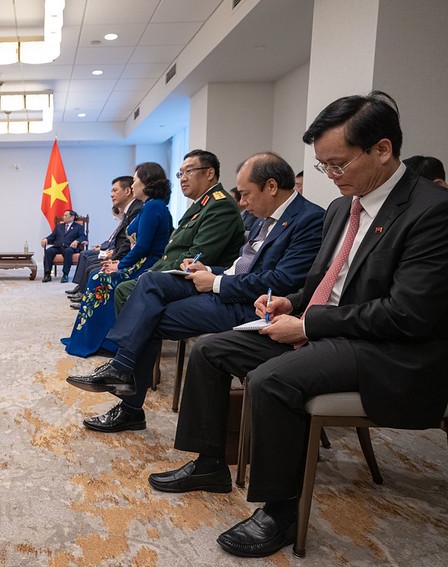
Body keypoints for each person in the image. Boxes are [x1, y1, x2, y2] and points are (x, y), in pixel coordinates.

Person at [149, 91, 448, 559]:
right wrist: (292, 302)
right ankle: (210, 463)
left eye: (338, 164)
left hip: (385, 347)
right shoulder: (342, 207)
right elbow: (324, 282)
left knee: (271, 381)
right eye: (324, 165)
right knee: (210, 350)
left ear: (382, 149)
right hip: (329, 329)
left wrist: (309, 326)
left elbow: (408, 314)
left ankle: (280, 511)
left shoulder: (431, 210)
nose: (331, 175)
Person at [66, 152, 325, 431]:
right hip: (228, 286)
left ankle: (127, 397)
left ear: (271, 186)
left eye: (246, 194)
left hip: (254, 305)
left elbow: (282, 281)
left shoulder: (308, 219)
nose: (242, 202)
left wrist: (215, 282)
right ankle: (122, 371)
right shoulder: (265, 216)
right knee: (150, 284)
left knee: (147, 316)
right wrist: (211, 270)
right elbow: (243, 265)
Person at [61, 163, 173, 357]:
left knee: (99, 278)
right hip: (140, 262)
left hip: (147, 266)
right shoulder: (151, 205)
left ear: (146, 182)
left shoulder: (153, 206)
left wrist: (120, 264)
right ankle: (93, 337)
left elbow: (142, 247)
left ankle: (105, 340)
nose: (133, 184)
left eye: (135, 180)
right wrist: (119, 263)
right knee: (98, 275)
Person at [113, 150, 245, 310]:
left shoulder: (220, 205)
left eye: (189, 171)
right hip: (173, 272)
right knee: (126, 286)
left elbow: (198, 256)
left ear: (210, 173)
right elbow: (173, 250)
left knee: (124, 290)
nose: (183, 178)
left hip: (195, 279)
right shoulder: (201, 205)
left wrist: (155, 272)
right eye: (180, 173)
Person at [67, 176, 142, 303]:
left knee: (93, 269)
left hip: (126, 259)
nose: (111, 195)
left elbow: (130, 242)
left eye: (115, 190)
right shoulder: (131, 210)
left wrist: (115, 259)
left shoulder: (137, 209)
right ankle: (83, 293)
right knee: (90, 261)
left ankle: (85, 298)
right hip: (118, 253)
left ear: (127, 191)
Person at [41, 209, 87, 283]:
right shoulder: (59, 226)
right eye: (64, 215)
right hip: (58, 246)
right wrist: (46, 239)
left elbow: (83, 237)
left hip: (69, 247)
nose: (63, 217)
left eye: (66, 215)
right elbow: (52, 236)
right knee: (49, 251)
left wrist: (77, 241)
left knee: (68, 251)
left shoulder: (78, 227)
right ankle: (47, 274)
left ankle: (65, 274)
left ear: (72, 217)